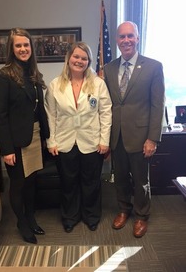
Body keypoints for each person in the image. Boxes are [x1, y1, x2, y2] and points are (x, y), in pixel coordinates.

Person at [104, 21, 165, 238]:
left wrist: (153, 139)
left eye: (130, 36)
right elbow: (107, 104)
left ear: (137, 38)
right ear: (117, 41)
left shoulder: (153, 66)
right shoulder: (108, 69)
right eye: (122, 37)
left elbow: (158, 105)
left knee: (141, 180)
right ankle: (124, 209)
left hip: (141, 137)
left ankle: (141, 215)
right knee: (119, 177)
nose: (126, 40)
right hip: (116, 136)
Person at [45, 41, 112, 233]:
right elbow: (50, 115)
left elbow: (105, 112)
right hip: (64, 142)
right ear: (68, 58)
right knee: (68, 182)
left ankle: (91, 216)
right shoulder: (55, 85)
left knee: (91, 182)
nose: (79, 61)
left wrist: (104, 140)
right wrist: (52, 141)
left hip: (92, 142)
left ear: (88, 61)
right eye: (76, 57)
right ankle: (69, 217)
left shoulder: (98, 84)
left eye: (84, 58)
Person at [0, 28, 50, 244]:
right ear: (12, 48)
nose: (23, 49)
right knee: (18, 184)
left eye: (26, 45)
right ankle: (22, 222)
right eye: (18, 45)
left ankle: (30, 217)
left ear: (31, 48)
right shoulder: (3, 76)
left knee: (32, 181)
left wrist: (46, 137)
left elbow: (39, 110)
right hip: (15, 141)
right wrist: (6, 150)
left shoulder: (33, 74)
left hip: (35, 137)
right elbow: (1, 115)